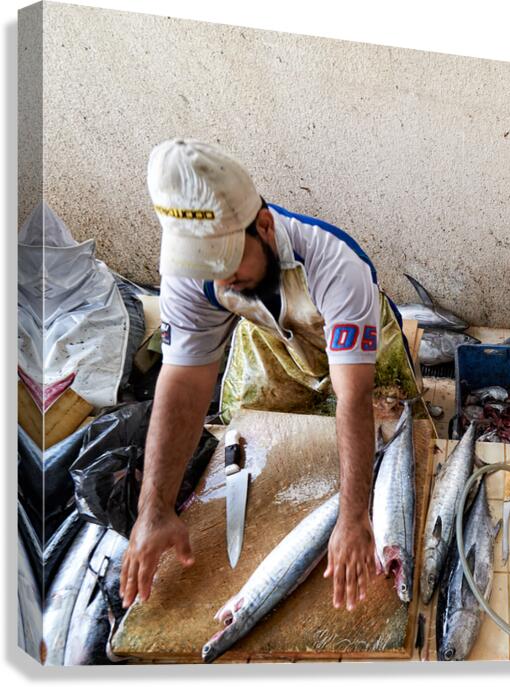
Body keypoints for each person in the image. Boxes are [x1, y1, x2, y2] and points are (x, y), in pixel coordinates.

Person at [120, 139, 420, 614]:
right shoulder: (189, 273)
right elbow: (182, 382)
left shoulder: (336, 265)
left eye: (227, 264)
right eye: (205, 269)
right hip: (272, 339)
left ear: (263, 226)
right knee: (255, 426)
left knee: (396, 428)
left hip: (358, 345)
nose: (219, 284)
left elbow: (353, 398)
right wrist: (153, 506)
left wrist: (354, 515)